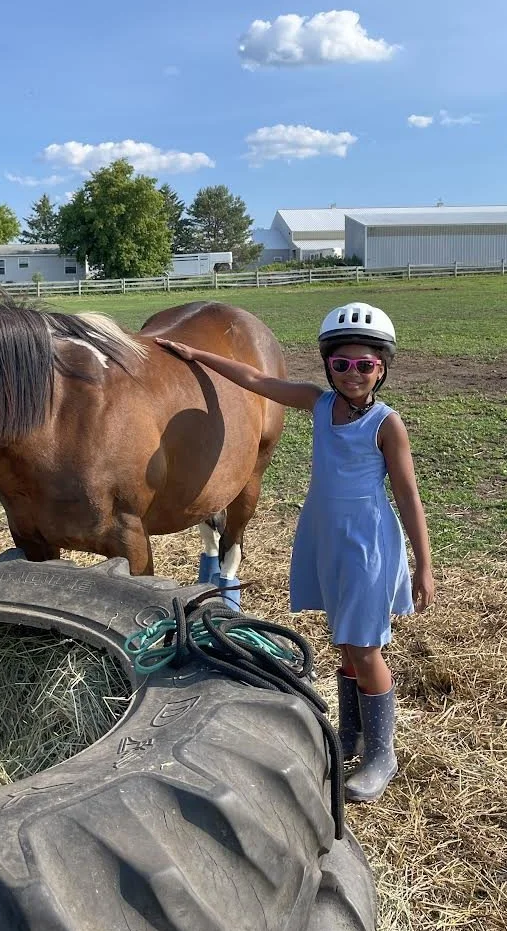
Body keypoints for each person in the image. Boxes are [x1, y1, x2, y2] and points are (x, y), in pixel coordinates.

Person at [155, 301, 435, 803]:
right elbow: (252, 378)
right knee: (345, 642)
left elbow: (409, 496)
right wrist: (194, 353)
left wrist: (424, 564)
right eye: (342, 364)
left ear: (383, 369)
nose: (352, 374)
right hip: (325, 535)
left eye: (365, 365)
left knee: (366, 649)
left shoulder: (387, 426)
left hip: (367, 542)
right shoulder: (319, 403)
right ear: (328, 364)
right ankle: (349, 737)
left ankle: (381, 755)